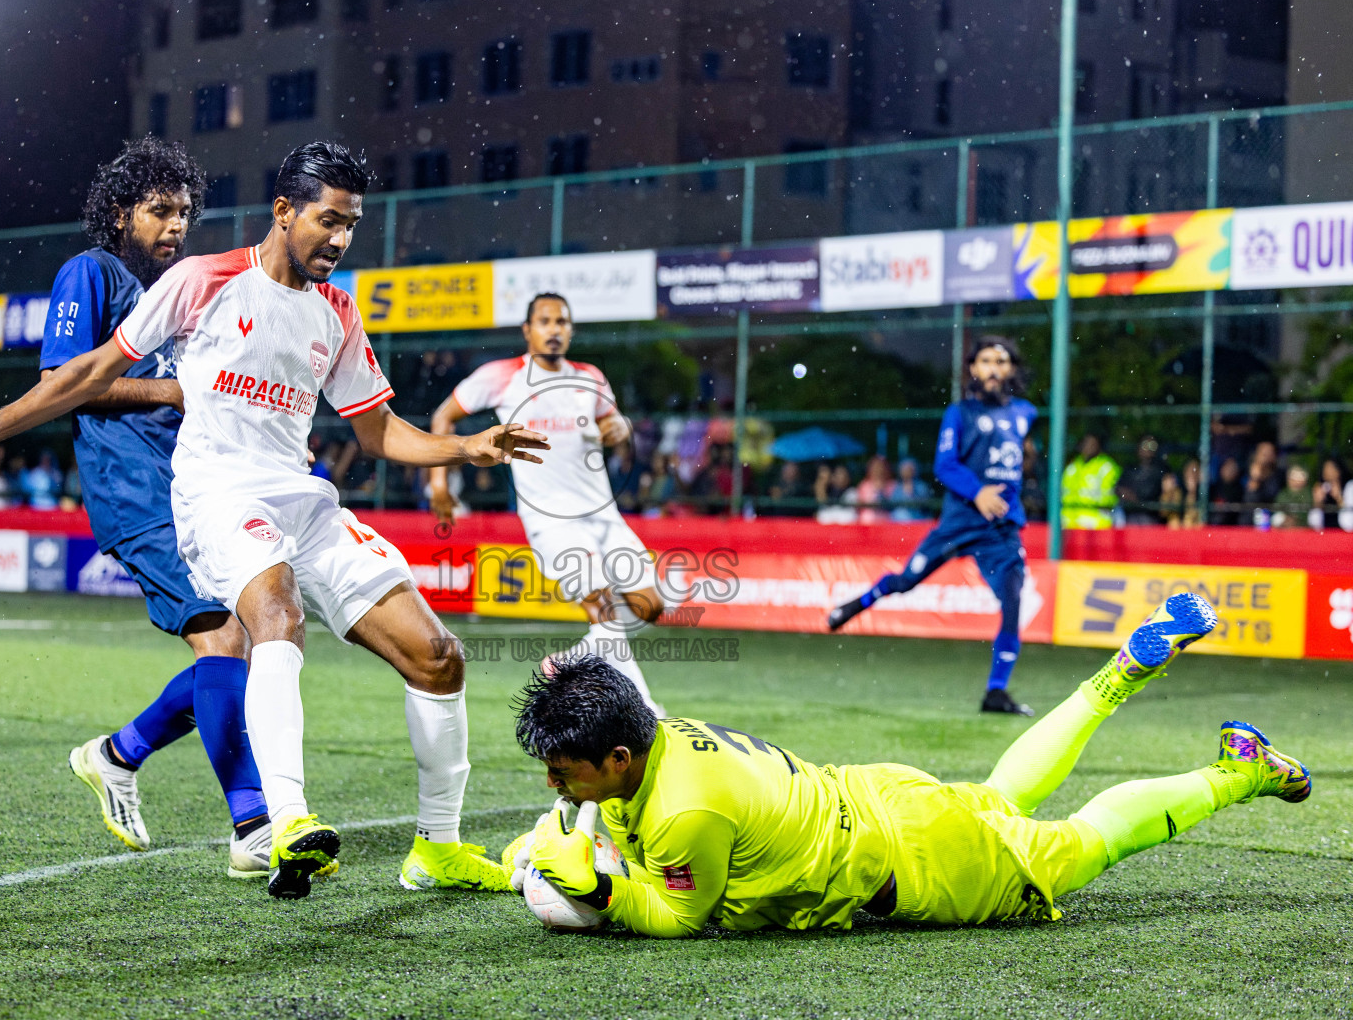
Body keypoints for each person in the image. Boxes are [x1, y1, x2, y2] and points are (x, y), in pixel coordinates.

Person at [0, 141, 548, 900]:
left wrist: (467, 445)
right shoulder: (202, 280)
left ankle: (438, 849)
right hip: (217, 493)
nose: (341, 240)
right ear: (283, 211)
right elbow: (87, 373)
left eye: (351, 225)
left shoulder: (338, 311)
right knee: (272, 618)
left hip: (301, 498)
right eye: (328, 221)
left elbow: (380, 432)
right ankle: (281, 820)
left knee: (439, 655)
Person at [510, 593, 1311, 939]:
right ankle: (1119, 674)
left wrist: (607, 891)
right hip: (880, 794)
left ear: (618, 756)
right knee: (999, 795)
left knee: (1083, 842)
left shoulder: (686, 812)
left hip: (914, 864)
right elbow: (606, 808)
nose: (556, 783)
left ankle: (1242, 769)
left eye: (565, 770)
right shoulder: (655, 732)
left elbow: (683, 919)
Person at [0, 138, 276, 879]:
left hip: (194, 489)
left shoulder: (182, 292)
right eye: (159, 211)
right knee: (221, 639)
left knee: (244, 643)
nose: (175, 226)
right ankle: (253, 824)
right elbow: (66, 380)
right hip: (132, 490)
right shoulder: (92, 273)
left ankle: (118, 755)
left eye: (184, 212)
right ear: (120, 213)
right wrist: (169, 391)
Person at [428, 292, 667, 717]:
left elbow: (614, 423)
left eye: (562, 322)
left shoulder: (590, 376)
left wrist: (619, 426)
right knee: (603, 608)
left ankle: (572, 662)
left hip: (602, 514)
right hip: (550, 519)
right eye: (545, 321)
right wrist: (440, 483)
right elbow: (444, 417)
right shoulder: (502, 376)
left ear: (571, 330)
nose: (554, 329)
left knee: (651, 606)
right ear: (528, 330)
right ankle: (648, 710)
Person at [827, 336, 1039, 716]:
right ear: (973, 369)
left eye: (1002, 361)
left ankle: (996, 692)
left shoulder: (1025, 413)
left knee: (1012, 599)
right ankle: (858, 603)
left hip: (1000, 530)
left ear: (1011, 370)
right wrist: (977, 492)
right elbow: (944, 465)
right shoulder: (959, 413)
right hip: (959, 522)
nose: (994, 368)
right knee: (906, 581)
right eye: (986, 360)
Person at [1060, 433, 1119, 530]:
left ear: (1098, 446)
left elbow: (1110, 496)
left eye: (1092, 444)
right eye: (1085, 443)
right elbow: (1064, 492)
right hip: (1069, 522)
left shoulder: (1106, 466)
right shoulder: (1073, 466)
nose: (1087, 447)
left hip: (1096, 523)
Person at [1115, 436, 1166, 525]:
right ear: (1138, 447)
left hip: (1151, 516)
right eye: (1144, 445)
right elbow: (1118, 489)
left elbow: (1154, 495)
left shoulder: (1161, 471)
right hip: (1129, 515)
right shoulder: (1129, 469)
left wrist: (1136, 500)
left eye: (1152, 445)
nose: (1148, 449)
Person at [1272, 464, 1313, 528]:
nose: (1297, 481)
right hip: (1285, 524)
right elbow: (1277, 510)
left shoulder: (1308, 493)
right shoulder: (1283, 493)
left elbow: (1309, 509)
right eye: (1294, 477)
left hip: (1303, 525)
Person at [1209, 456, 1245, 526]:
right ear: (1222, 469)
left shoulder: (1240, 491)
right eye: (1228, 467)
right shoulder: (1212, 489)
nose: (1230, 471)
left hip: (1232, 527)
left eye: (1233, 468)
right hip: (1211, 526)